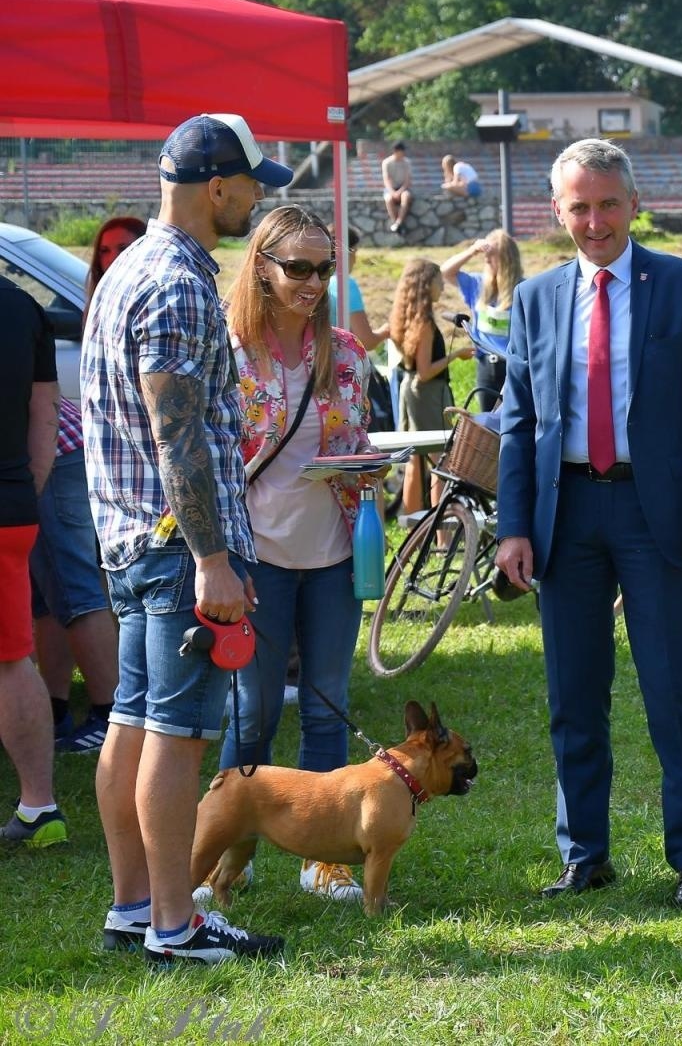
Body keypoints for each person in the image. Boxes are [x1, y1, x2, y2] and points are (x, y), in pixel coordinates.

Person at [494, 138, 682, 910]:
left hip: (654, 513)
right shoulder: (535, 299)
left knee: (673, 688)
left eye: (607, 204)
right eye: (579, 207)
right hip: (565, 513)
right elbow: (518, 421)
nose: (594, 221)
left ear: (634, 205)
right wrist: (513, 526)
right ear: (557, 212)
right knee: (574, 692)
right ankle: (585, 854)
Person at [80, 112, 289, 962]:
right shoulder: (176, 281)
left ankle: (134, 910)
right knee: (177, 733)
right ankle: (174, 925)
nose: (255, 199)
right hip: (176, 549)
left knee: (130, 722)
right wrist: (211, 558)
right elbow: (176, 434)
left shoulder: (130, 264)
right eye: (250, 184)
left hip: (132, 541)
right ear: (217, 186)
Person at [212, 203, 380, 905]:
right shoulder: (226, 352)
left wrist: (366, 467)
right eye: (299, 268)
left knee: (327, 704)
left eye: (324, 267)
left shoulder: (347, 352)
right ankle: (223, 856)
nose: (314, 281)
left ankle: (323, 860)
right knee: (253, 713)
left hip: (334, 551)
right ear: (263, 267)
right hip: (256, 557)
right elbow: (211, 456)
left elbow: (359, 441)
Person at [34, 216, 142, 753]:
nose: (113, 256)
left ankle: (109, 713)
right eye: (104, 249)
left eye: (125, 247)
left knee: (75, 586)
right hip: (73, 448)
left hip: (63, 454)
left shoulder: (143, 298)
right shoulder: (93, 306)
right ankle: (53, 710)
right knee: (47, 594)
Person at [0, 272, 65, 848]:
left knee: (10, 663)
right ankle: (38, 805)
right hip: (13, 507)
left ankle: (40, 806)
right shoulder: (23, 307)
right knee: (11, 658)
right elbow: (45, 414)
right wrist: (27, 486)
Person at [390, 257, 471, 514]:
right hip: (427, 393)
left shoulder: (406, 317)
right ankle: (441, 532)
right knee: (440, 461)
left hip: (411, 391)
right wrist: (456, 355)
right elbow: (425, 372)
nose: (442, 288)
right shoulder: (424, 324)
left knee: (415, 459)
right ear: (427, 285)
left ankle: (412, 519)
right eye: (439, 282)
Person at [441, 229, 523, 403]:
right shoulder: (477, 284)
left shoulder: (523, 288)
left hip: (512, 367)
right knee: (486, 422)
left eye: (492, 256)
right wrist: (472, 251)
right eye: (485, 256)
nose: (486, 259)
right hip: (486, 365)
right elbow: (446, 272)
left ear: (506, 259)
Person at [327, 227, 394, 432]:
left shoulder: (321, 282)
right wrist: (386, 331)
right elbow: (366, 339)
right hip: (348, 373)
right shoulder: (347, 284)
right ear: (350, 252)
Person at [382, 141, 414, 233]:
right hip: (390, 189)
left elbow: (407, 180)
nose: (404, 153)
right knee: (388, 199)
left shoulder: (407, 162)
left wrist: (400, 191)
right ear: (396, 151)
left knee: (406, 196)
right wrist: (392, 192)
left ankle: (398, 222)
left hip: (403, 188)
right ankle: (396, 222)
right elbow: (386, 179)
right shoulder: (387, 162)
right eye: (402, 151)